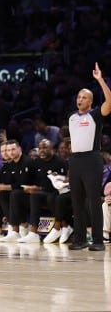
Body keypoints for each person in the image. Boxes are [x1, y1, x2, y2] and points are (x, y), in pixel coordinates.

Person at [66, 63, 110, 251]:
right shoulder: (72, 117)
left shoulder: (95, 115)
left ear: (90, 101)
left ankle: (98, 241)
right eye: (78, 97)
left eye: (84, 97)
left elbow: (110, 102)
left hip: (92, 159)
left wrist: (100, 79)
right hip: (75, 160)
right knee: (76, 200)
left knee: (93, 200)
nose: (80, 99)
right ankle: (80, 239)